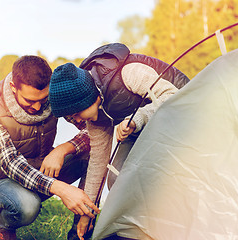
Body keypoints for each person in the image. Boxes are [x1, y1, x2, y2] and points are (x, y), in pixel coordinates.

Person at [48, 43, 190, 240]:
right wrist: (86, 214)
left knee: (164, 176)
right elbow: (98, 164)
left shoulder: (128, 74)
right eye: (70, 119)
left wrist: (137, 119)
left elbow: (172, 97)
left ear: (88, 98)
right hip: (143, 125)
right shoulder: (95, 117)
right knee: (117, 177)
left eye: (76, 114)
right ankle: (138, 229)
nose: (77, 121)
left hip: (184, 114)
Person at [0, 55, 100, 240]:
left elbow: (94, 131)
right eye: (30, 101)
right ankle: (6, 226)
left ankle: (79, 232)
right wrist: (62, 190)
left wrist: (63, 148)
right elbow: (10, 163)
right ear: (13, 87)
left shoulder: (51, 96)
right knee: (27, 206)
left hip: (39, 172)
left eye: (43, 98)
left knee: (90, 155)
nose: (38, 106)